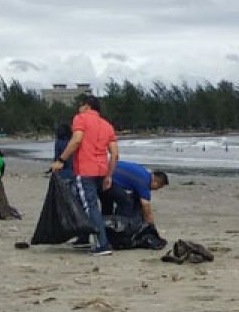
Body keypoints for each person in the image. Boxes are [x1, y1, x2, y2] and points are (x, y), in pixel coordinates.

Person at [50, 96, 119, 256]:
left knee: (89, 206)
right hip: (102, 170)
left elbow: (76, 140)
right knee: (87, 204)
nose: (78, 109)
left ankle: (102, 244)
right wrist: (109, 175)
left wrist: (61, 160)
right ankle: (85, 238)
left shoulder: (81, 119)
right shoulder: (107, 125)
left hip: (85, 170)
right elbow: (114, 154)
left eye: (80, 106)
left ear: (87, 106)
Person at [104, 160, 169, 224]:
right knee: (127, 203)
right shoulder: (144, 182)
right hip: (107, 178)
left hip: (103, 169)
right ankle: (121, 226)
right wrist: (151, 224)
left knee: (109, 203)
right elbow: (146, 206)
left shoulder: (144, 172)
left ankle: (106, 224)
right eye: (158, 187)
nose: (156, 189)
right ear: (156, 182)